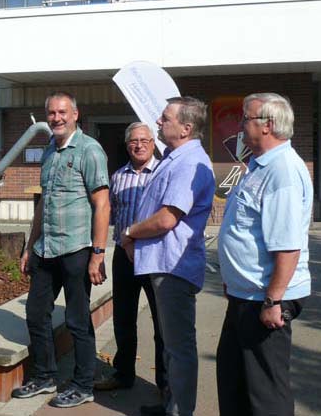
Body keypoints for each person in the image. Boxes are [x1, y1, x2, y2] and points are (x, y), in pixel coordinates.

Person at [12, 91, 110, 408]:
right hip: (46, 248)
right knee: (36, 313)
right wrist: (30, 247)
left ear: (75, 115)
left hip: (76, 248)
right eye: (51, 113)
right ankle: (44, 377)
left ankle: (83, 385)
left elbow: (102, 204)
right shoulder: (50, 150)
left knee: (78, 321)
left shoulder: (90, 151)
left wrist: (98, 253)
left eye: (62, 112)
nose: (56, 118)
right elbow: (43, 205)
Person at [216, 93, 312, 416]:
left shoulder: (282, 171)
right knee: (235, 382)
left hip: (265, 300)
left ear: (268, 125)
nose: (241, 125)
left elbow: (287, 245)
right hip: (247, 295)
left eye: (246, 118)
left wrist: (273, 301)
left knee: (266, 395)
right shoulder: (259, 165)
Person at [120, 97, 215, 416]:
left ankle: (178, 411)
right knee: (173, 346)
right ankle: (172, 404)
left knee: (178, 346)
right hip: (164, 263)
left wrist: (131, 232)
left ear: (186, 128)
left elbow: (166, 219)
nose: (158, 123)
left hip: (173, 266)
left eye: (165, 119)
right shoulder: (176, 157)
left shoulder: (189, 163)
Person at [94, 122, 167, 397]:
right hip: (123, 257)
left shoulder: (163, 172)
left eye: (144, 140)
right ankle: (123, 373)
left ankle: (165, 382)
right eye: (133, 141)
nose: (138, 145)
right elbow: (108, 214)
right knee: (123, 318)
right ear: (127, 146)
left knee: (162, 323)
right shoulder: (118, 176)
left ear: (152, 143)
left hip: (153, 255)